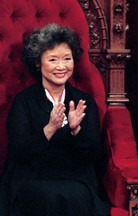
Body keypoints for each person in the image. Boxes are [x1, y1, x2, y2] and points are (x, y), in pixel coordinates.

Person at [0, 24, 110, 216]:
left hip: (76, 178)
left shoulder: (84, 101)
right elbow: (18, 152)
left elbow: (93, 155)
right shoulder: (24, 101)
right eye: (53, 60)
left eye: (67, 59)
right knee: (46, 196)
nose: (61, 67)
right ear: (38, 63)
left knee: (77, 195)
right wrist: (50, 128)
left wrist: (76, 130)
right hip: (32, 177)